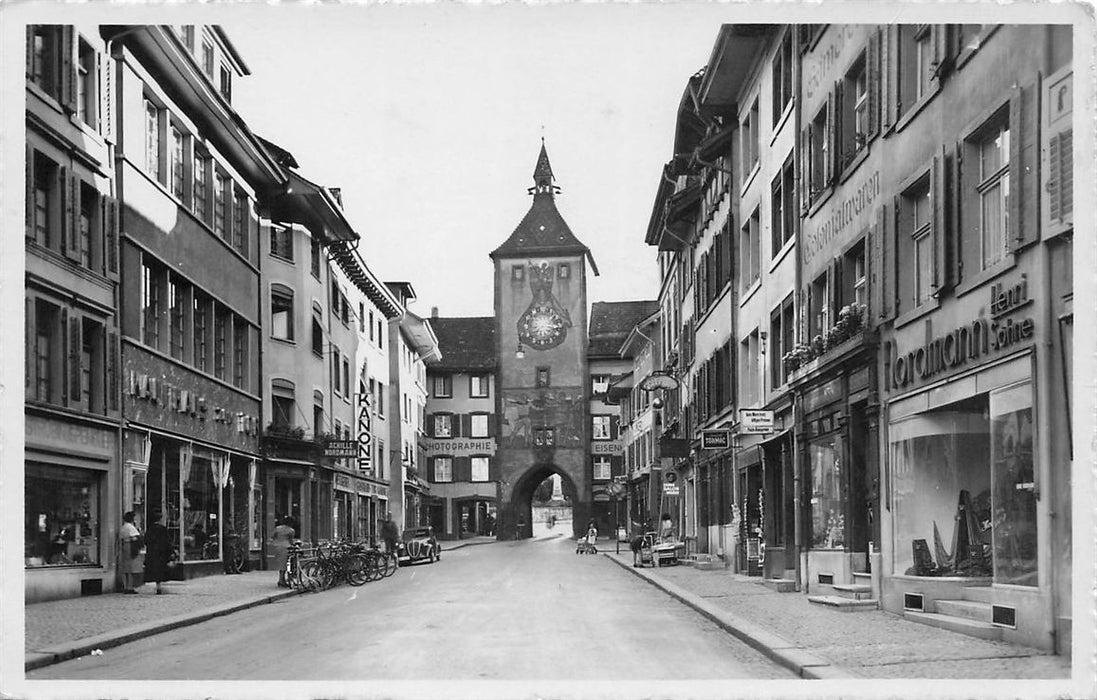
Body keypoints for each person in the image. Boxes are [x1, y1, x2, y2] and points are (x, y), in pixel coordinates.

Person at [144, 510, 173, 595]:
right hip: (161, 553)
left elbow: (146, 540)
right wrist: (170, 551)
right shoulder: (163, 529)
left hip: (152, 552)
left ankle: (158, 585)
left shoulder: (150, 529)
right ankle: (159, 586)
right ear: (160, 519)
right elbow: (167, 541)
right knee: (160, 570)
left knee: (154, 569)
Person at [119, 511, 144, 594]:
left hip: (124, 546)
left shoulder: (122, 527)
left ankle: (125, 586)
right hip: (131, 547)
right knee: (131, 568)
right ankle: (130, 587)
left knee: (125, 568)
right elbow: (134, 538)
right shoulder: (130, 527)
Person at [269, 516, 296, 587]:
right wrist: (294, 545)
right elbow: (291, 540)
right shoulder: (291, 530)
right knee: (288, 564)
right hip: (286, 547)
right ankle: (284, 580)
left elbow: (272, 536)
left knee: (281, 564)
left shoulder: (278, 528)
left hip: (277, 547)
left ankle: (281, 579)